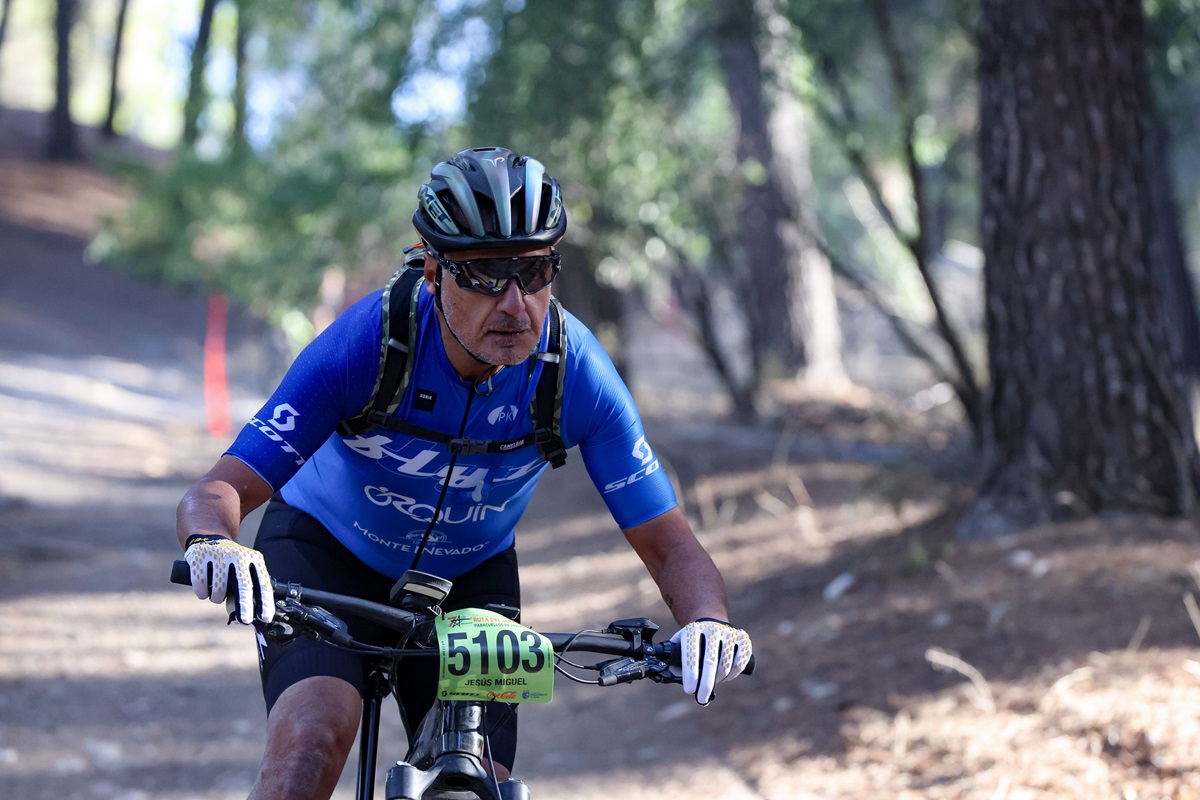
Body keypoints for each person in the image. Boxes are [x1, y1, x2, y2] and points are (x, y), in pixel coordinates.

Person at [177, 146, 753, 800]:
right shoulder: (369, 342)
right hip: (324, 554)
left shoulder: (576, 373)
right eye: (485, 274)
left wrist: (707, 617)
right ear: (432, 271)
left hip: (471, 579)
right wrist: (215, 541)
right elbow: (219, 489)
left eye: (534, 272)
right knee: (310, 742)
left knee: (477, 783)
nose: (514, 303)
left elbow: (669, 540)